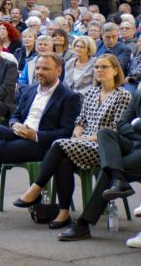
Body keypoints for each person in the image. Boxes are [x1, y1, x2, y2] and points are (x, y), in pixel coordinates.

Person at [0, 53, 81, 219]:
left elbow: (66, 132)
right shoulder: (31, 90)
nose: (40, 72)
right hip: (19, 133)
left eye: (45, 69)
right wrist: (14, 124)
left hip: (41, 144)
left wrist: (35, 135)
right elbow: (16, 114)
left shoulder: (69, 97)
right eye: (38, 68)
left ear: (58, 70)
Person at [15, 55, 129, 230]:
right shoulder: (92, 92)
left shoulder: (123, 96)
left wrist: (86, 138)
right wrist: (77, 135)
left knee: (59, 144)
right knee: (63, 159)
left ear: (115, 70)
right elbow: (80, 121)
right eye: (97, 67)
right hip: (82, 143)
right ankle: (64, 212)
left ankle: (36, 188)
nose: (99, 70)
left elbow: (116, 129)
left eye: (104, 67)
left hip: (105, 147)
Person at [55, 86, 141, 244]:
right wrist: (135, 131)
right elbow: (122, 123)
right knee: (105, 133)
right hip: (133, 141)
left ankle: (83, 223)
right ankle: (118, 179)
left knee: (109, 169)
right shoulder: (140, 92)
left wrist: (136, 127)